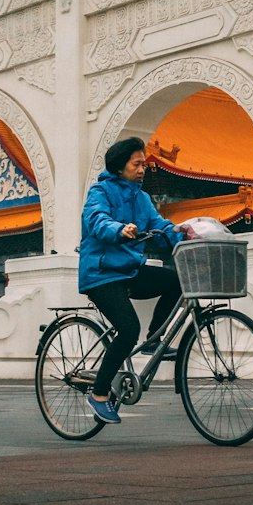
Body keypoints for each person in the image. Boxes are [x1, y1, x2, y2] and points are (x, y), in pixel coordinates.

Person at [78, 136, 190, 424]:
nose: (142, 169)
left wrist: (180, 231)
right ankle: (99, 394)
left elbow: (159, 227)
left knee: (177, 281)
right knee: (128, 329)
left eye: (144, 164)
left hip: (129, 269)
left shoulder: (142, 198)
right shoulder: (100, 192)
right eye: (136, 164)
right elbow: (97, 221)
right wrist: (119, 229)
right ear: (119, 166)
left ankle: (154, 340)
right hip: (101, 274)